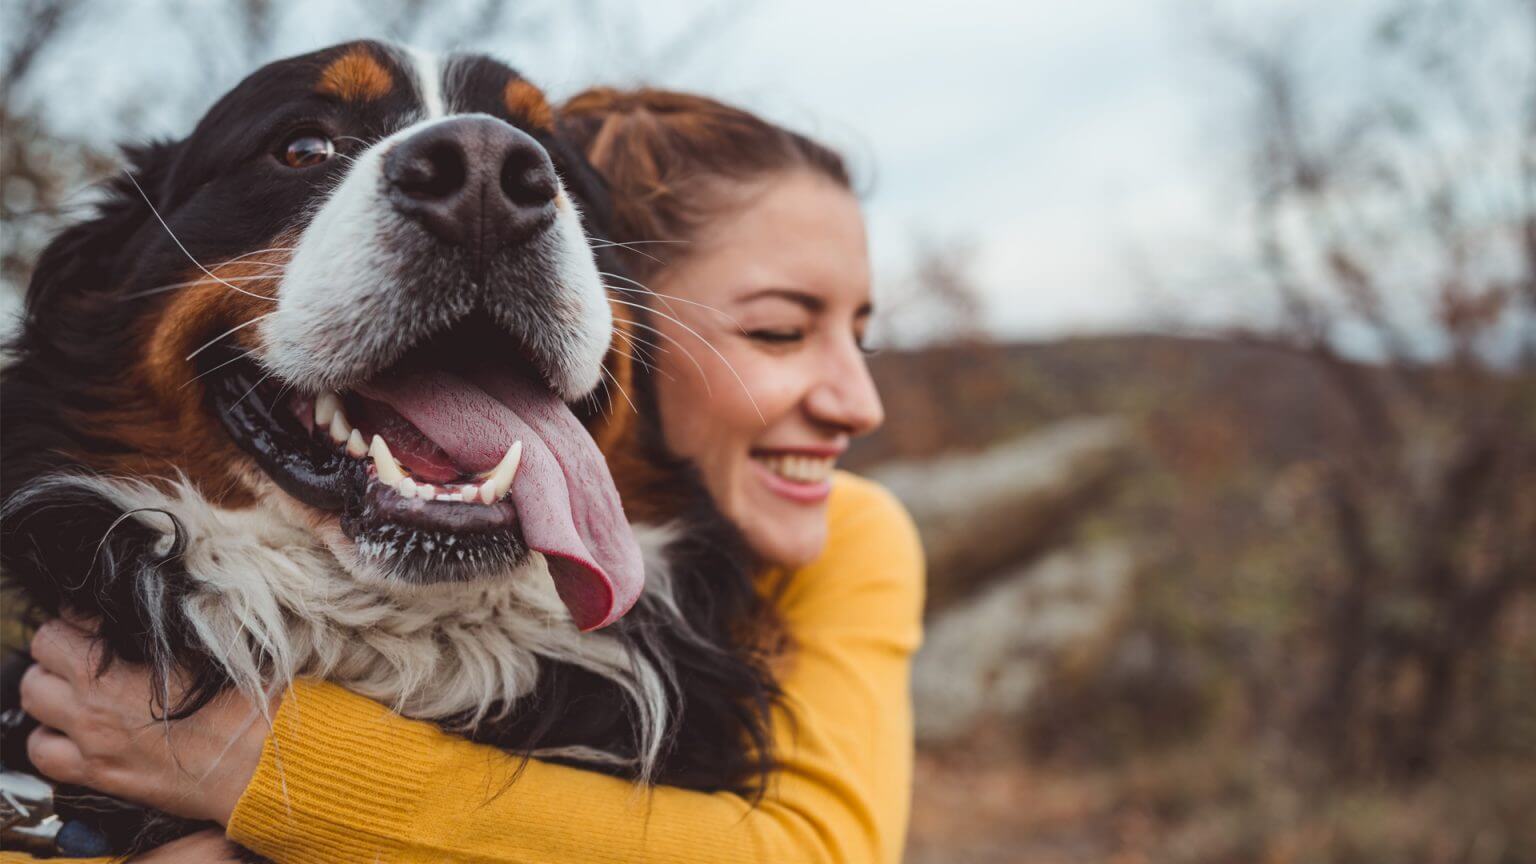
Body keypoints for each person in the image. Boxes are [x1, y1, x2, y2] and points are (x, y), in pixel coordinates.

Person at [11, 88, 924, 864]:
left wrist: (262, 768)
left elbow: (814, 847)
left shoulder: (854, 531)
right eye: (777, 332)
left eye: (863, 334)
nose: (862, 403)